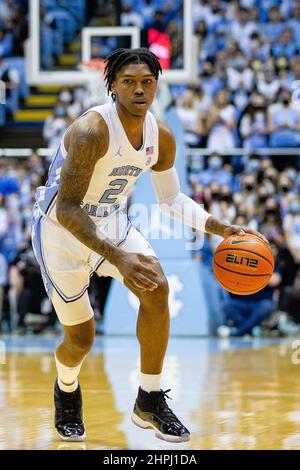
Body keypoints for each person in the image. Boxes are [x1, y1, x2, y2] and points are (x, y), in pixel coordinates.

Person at [31, 48, 267, 443]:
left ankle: (150, 399)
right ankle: (67, 388)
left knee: (156, 287)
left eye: (147, 82)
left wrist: (218, 227)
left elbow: (171, 200)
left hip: (111, 220)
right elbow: (68, 209)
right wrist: (118, 257)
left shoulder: (161, 136)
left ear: (157, 85)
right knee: (81, 339)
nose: (139, 89)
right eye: (129, 82)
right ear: (112, 86)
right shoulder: (93, 131)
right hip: (61, 232)